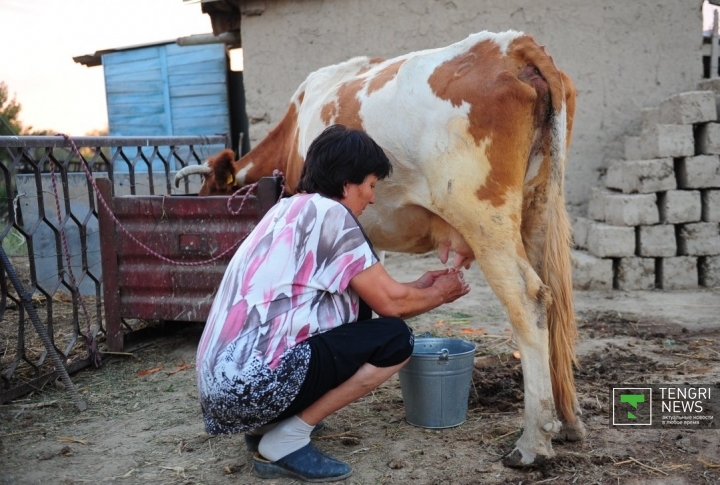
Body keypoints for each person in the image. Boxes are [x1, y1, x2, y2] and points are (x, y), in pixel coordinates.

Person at [195, 124, 470, 482]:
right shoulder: (331, 215)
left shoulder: (286, 209)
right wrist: (440, 293)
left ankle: (267, 426)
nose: (371, 198)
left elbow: (375, 290)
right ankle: (287, 439)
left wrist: (417, 285)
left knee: (356, 312)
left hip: (221, 392)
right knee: (395, 339)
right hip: (256, 386)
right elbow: (392, 305)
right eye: (370, 185)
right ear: (346, 183)